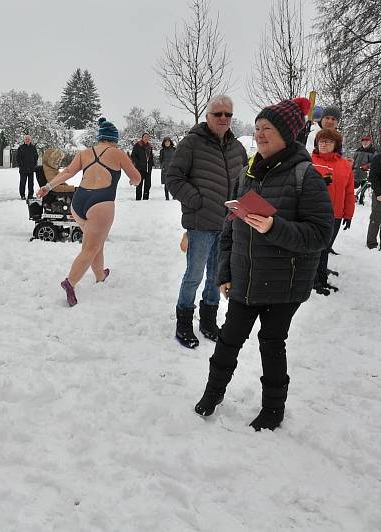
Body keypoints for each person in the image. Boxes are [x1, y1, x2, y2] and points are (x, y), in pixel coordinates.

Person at [194, 97, 333, 431]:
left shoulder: (306, 176)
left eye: (267, 129)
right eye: (257, 129)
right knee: (228, 339)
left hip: (286, 284)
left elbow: (319, 235)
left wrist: (274, 227)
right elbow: (230, 229)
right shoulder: (248, 173)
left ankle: (273, 409)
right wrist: (224, 271)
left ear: (287, 133)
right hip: (246, 278)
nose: (259, 135)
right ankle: (213, 393)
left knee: (272, 345)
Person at [166, 95, 248, 348]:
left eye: (228, 114)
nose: (223, 118)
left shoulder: (238, 148)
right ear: (207, 116)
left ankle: (208, 321)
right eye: (218, 114)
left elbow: (246, 178)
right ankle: (183, 323)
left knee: (216, 275)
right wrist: (196, 200)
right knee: (194, 275)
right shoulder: (191, 143)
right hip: (200, 222)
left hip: (228, 224)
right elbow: (174, 178)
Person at [37, 117, 141, 306]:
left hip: (79, 202)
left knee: (95, 242)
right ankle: (70, 282)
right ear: (114, 139)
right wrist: (134, 182)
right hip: (101, 203)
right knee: (90, 247)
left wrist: (48, 186)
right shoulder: (117, 153)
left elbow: (68, 172)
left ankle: (100, 275)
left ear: (100, 137)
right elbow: (136, 177)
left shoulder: (85, 153)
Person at [310, 129, 355, 295]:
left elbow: (349, 192)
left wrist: (348, 214)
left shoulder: (344, 165)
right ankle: (313, 281)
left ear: (336, 145)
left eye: (328, 141)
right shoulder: (309, 160)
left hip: (334, 215)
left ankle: (321, 279)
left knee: (325, 248)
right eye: (321, 141)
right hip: (312, 213)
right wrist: (318, 183)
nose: (324, 144)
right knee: (314, 249)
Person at [130, 132, 154, 200]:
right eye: (145, 137)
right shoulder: (137, 145)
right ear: (142, 138)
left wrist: (151, 164)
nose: (146, 138)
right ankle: (138, 199)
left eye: (148, 137)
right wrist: (138, 163)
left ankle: (146, 199)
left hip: (148, 169)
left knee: (148, 185)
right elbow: (133, 156)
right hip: (140, 168)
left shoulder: (149, 146)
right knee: (139, 184)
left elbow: (151, 156)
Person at [353, 135, 376, 205]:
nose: (365, 143)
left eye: (367, 141)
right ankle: (353, 197)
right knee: (353, 185)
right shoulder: (358, 150)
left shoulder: (373, 151)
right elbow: (354, 160)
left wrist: (367, 166)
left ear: (370, 142)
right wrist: (351, 167)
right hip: (356, 171)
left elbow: (374, 162)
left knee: (363, 187)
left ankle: (361, 198)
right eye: (364, 141)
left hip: (365, 172)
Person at [15, 135, 38, 200]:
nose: (27, 140)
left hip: (31, 169)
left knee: (31, 183)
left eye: (28, 139)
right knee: (23, 183)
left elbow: (36, 157)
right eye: (26, 139)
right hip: (23, 169)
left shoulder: (33, 148)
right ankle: (22, 195)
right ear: (24, 140)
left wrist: (34, 165)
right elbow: (18, 158)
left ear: (30, 140)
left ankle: (30, 195)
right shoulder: (21, 148)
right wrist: (21, 166)